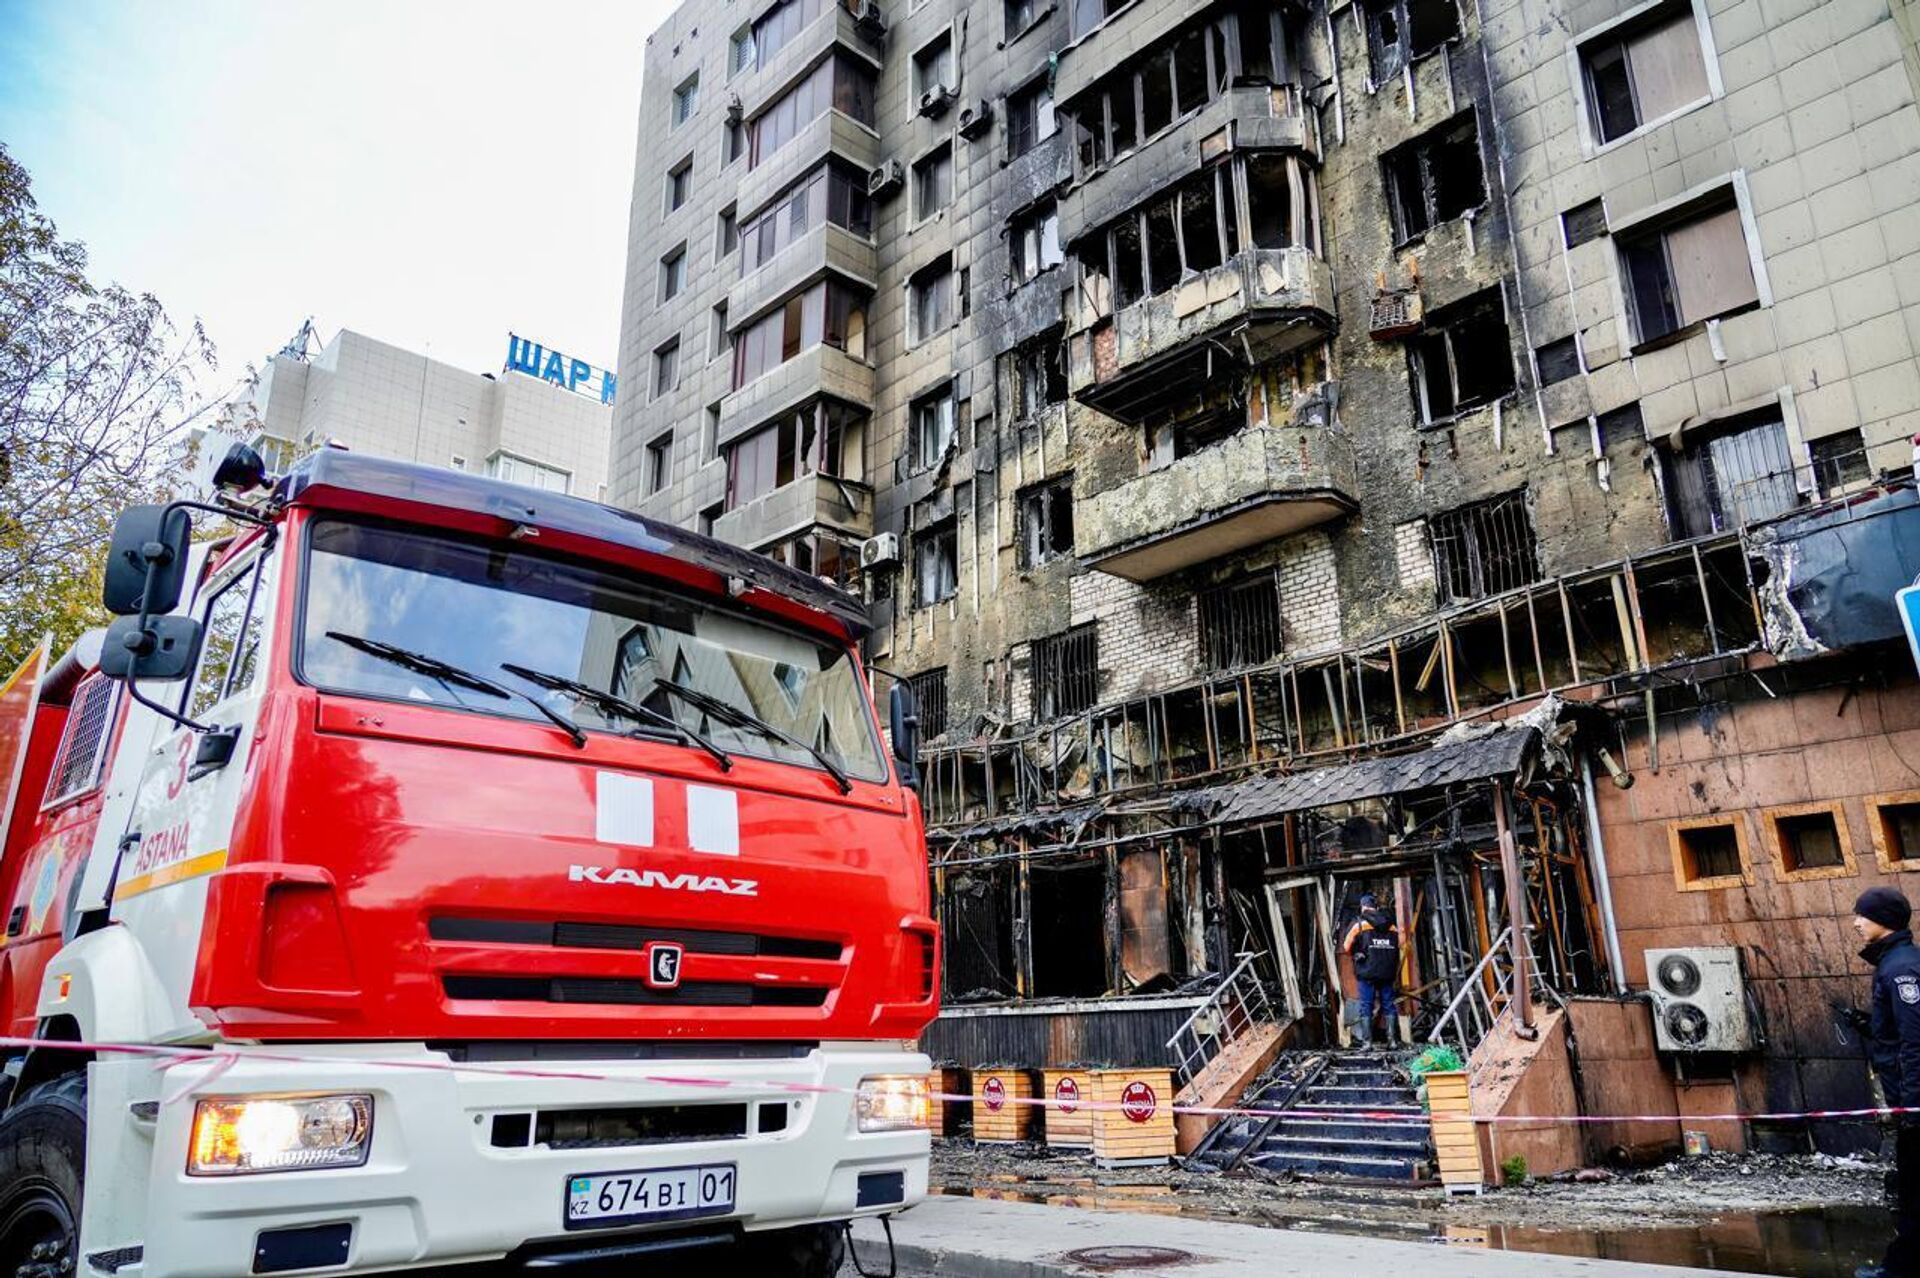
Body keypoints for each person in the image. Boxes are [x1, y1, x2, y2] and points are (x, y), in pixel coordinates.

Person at [1855, 886, 1920, 1278]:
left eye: (1862, 915)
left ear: (1884, 920)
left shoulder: (1900, 969)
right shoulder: (1896, 962)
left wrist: (1912, 1106)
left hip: (1914, 1105)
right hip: (1910, 1101)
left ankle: (1900, 1269)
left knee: (1913, 1191)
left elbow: (1915, 1041)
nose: (1856, 923)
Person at [1342, 892, 1400, 1047]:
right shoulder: (1392, 926)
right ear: (1376, 907)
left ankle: (1367, 1043)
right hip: (1387, 972)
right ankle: (1392, 1041)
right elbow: (1398, 947)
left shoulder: (1359, 924)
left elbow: (1346, 947)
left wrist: (1358, 952)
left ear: (1363, 907)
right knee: (1389, 1004)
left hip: (1366, 971)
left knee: (1366, 1005)